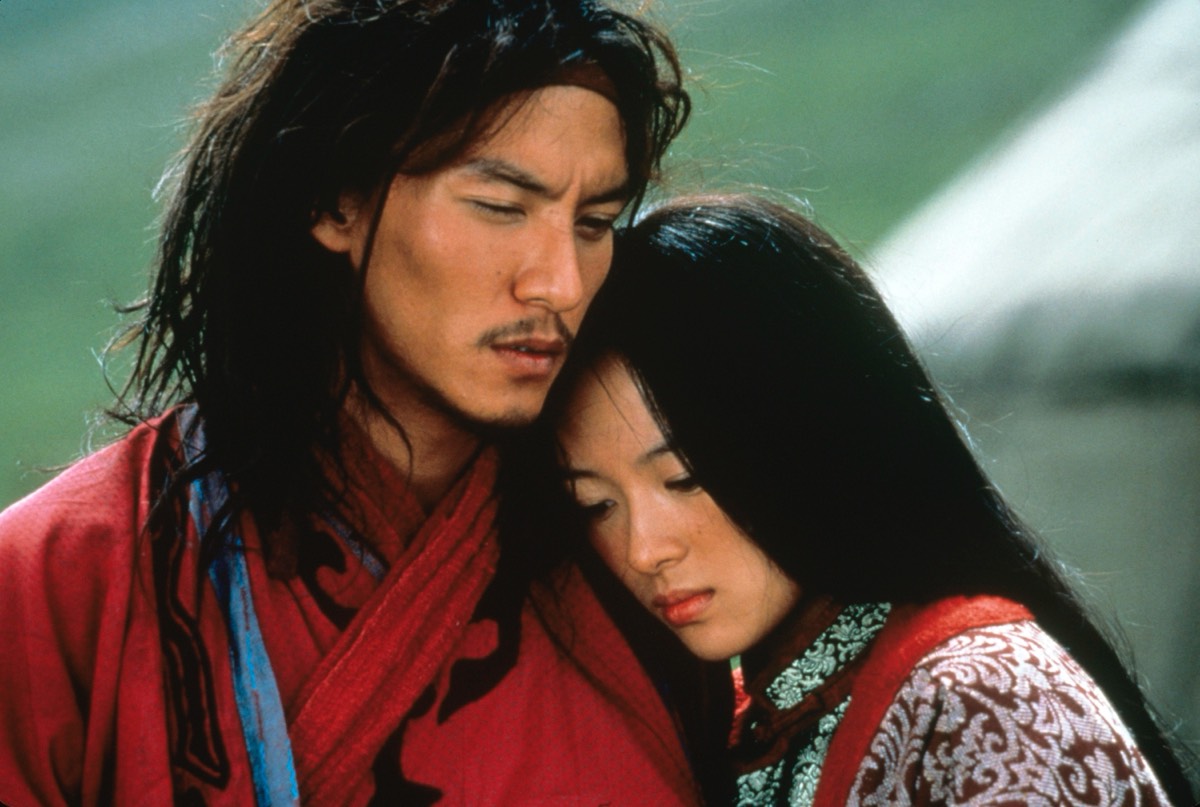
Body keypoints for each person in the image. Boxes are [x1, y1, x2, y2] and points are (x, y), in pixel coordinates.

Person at [0, 1, 697, 804]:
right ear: (337, 202)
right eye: (501, 208)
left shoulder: (644, 550)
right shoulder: (60, 579)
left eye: (595, 222)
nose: (561, 284)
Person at [541, 195, 1198, 805]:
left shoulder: (984, 698)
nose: (644, 550)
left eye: (685, 478)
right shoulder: (732, 729)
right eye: (595, 505)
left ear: (813, 434)